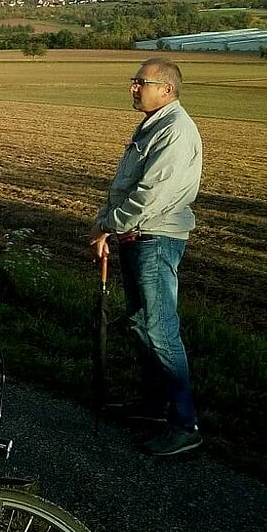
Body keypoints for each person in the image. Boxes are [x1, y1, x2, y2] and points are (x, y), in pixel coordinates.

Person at [90, 57, 203, 457]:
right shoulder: (154, 124)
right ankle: (154, 407)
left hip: (156, 238)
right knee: (143, 325)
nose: (133, 88)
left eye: (141, 82)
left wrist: (109, 224)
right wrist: (108, 222)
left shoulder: (174, 131)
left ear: (167, 89)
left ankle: (185, 423)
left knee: (160, 330)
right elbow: (127, 184)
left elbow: (150, 194)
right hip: (138, 237)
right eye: (134, 81)